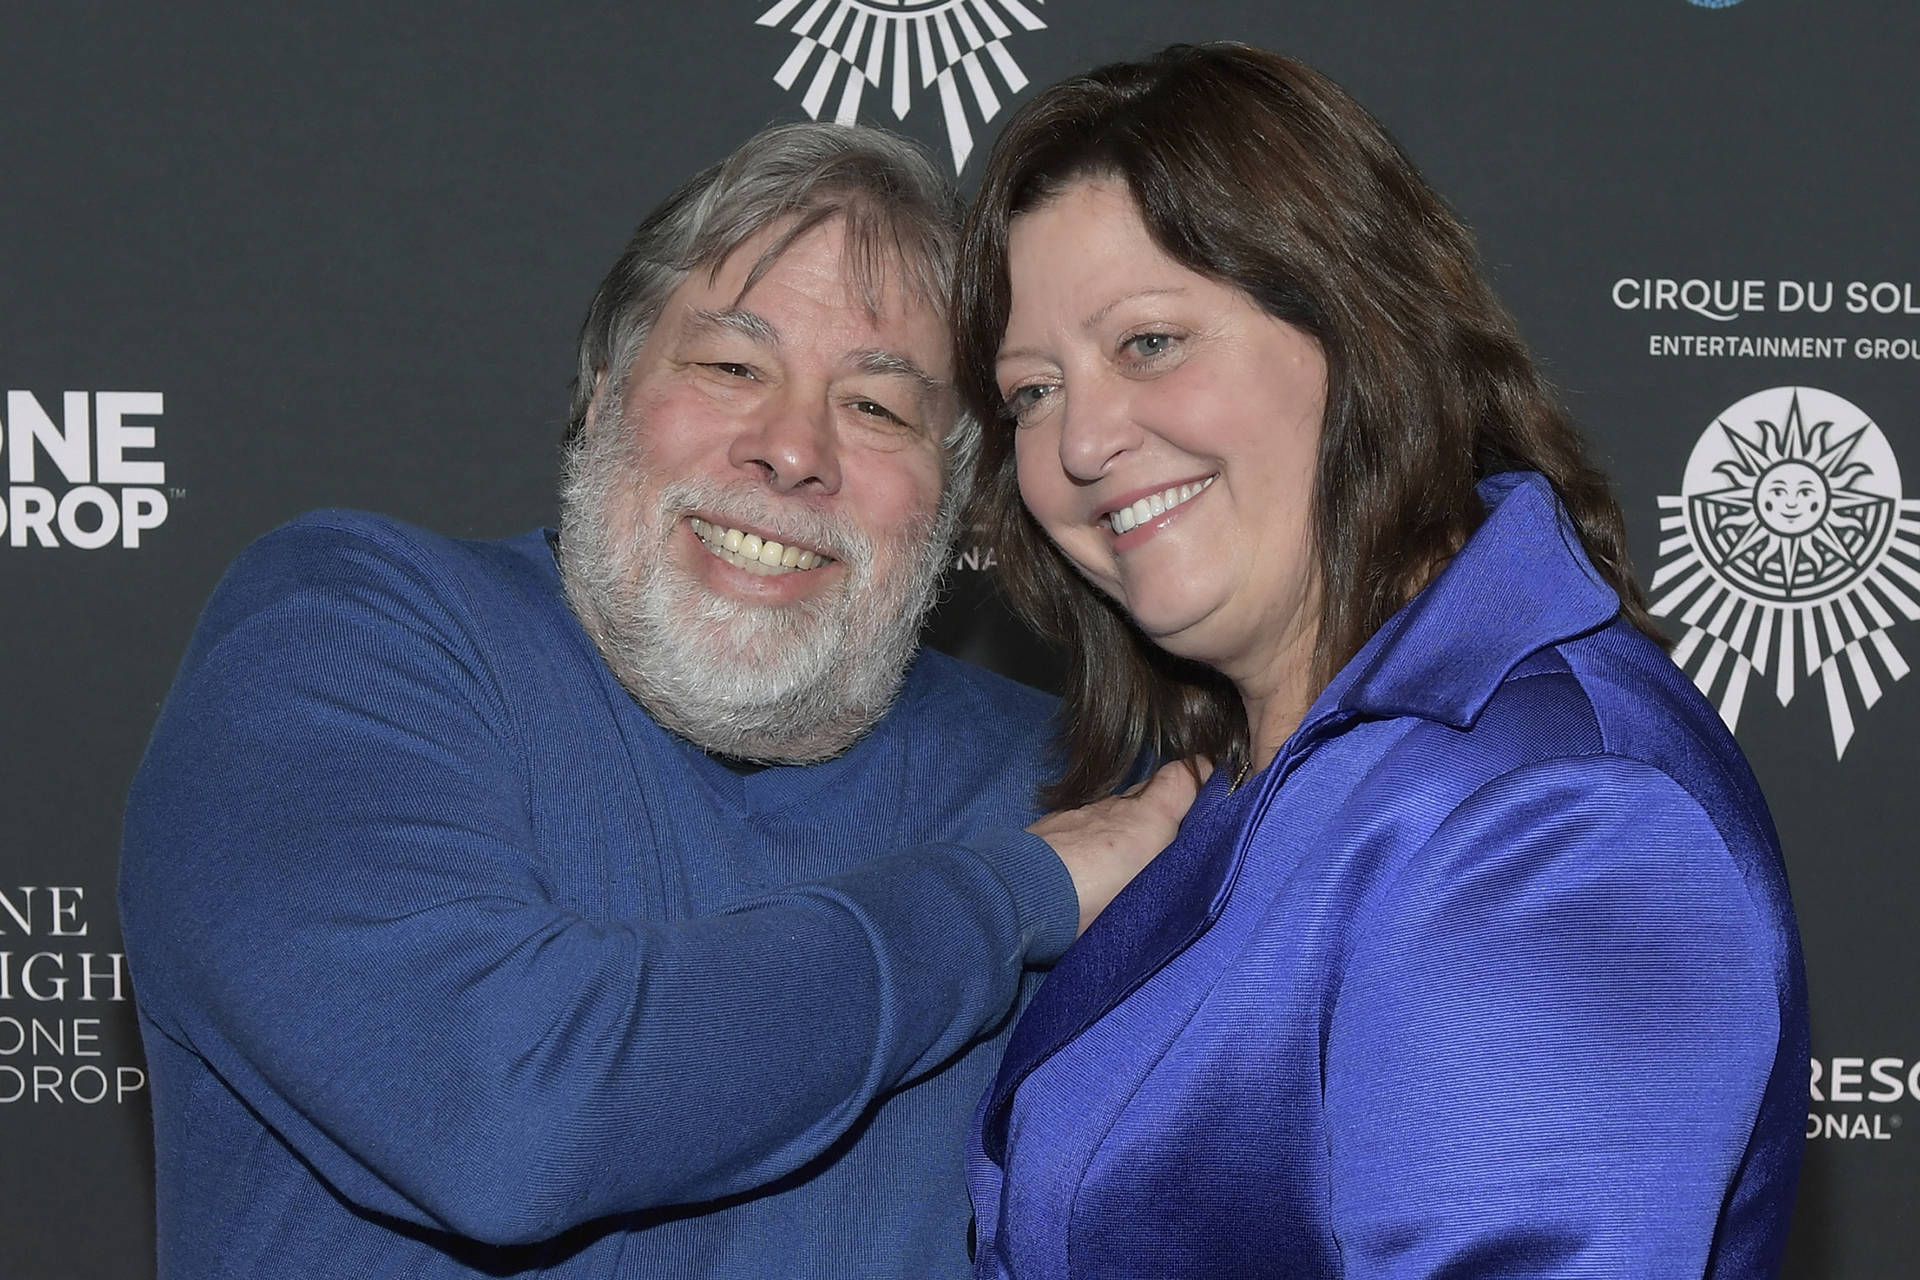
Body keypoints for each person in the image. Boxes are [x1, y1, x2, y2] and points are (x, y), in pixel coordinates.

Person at [118, 122, 1194, 1279]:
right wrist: (1011, 892)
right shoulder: (345, 641)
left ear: (954, 497)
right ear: (600, 392)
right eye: (732, 367)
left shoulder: (1071, 780)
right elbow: (510, 1114)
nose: (792, 450)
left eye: (878, 408)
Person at [955, 44, 1808, 1279]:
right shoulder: (1276, 774)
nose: (1082, 440)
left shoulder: (1559, 818)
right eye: (1032, 391)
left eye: (1148, 343)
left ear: (1359, 326)